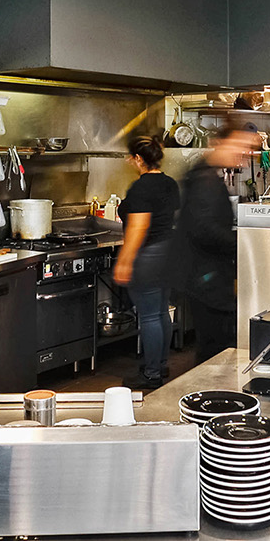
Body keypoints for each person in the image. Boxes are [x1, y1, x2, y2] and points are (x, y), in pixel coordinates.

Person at [177, 123, 262, 363]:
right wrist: (244, 244)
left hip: (209, 277)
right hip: (207, 279)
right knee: (215, 350)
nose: (243, 154)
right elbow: (204, 229)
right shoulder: (204, 181)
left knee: (216, 347)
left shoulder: (206, 174)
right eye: (239, 146)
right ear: (220, 144)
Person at [113, 134, 181, 388]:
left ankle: (151, 374)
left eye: (132, 157)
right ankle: (160, 365)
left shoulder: (141, 188)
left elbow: (138, 227)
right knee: (161, 311)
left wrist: (125, 260)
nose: (129, 161)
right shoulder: (169, 183)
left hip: (149, 254)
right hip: (168, 251)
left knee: (150, 316)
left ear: (139, 159)